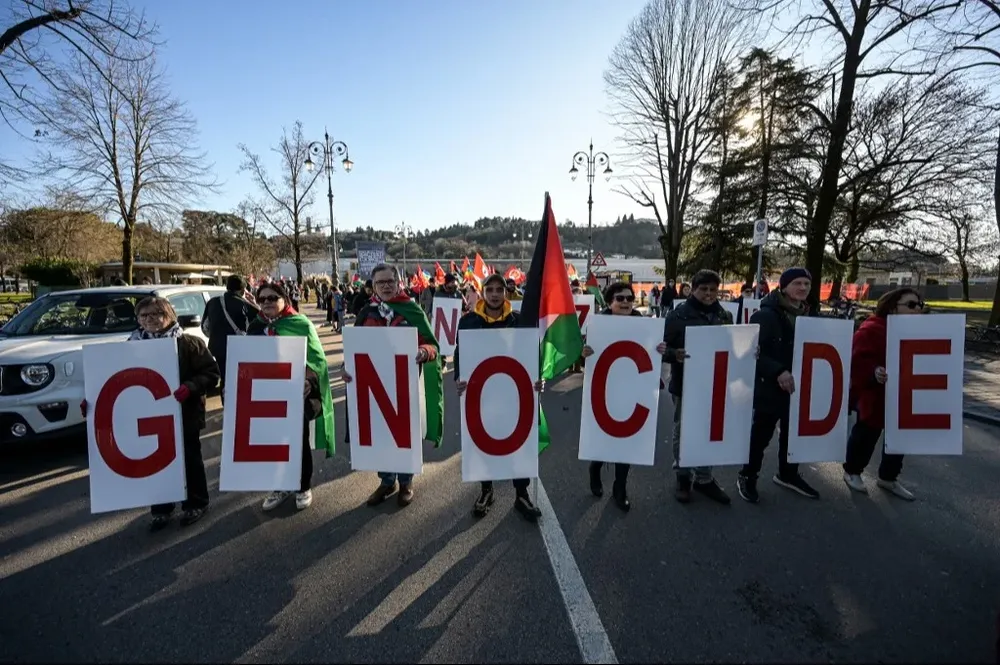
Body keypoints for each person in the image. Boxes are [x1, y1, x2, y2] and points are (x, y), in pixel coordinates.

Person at [82, 296, 220, 530]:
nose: (150, 319)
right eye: (144, 315)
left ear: (169, 316)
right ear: (138, 319)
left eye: (157, 314)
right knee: (155, 463)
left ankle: (196, 503)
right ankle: (161, 509)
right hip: (148, 417)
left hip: (184, 415)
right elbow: (112, 380)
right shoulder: (128, 347)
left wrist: (190, 387)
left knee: (189, 461)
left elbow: (211, 373)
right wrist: (93, 402)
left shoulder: (189, 344)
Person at [344, 264, 440, 508]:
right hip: (374, 388)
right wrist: (348, 367)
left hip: (404, 386)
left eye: (390, 281)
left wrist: (424, 351)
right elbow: (355, 349)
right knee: (381, 436)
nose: (386, 286)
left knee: (404, 435)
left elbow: (433, 346)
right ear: (373, 286)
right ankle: (387, 481)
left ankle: (406, 482)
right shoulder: (366, 313)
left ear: (398, 283)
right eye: (381, 282)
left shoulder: (412, 310)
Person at [454, 273, 544, 521]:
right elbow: (460, 352)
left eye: (499, 290)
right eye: (490, 289)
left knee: (519, 441)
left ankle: (522, 494)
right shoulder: (468, 321)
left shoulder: (519, 320)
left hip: (513, 392)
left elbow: (531, 351)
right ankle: (486, 490)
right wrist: (458, 378)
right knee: (483, 441)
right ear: (482, 293)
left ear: (506, 293)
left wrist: (538, 377)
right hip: (482, 392)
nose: (494, 294)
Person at [737, 267, 820, 503]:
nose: (803, 288)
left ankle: (788, 474)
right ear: (783, 287)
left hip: (800, 386)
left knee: (794, 434)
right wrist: (778, 371)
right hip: (771, 387)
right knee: (761, 435)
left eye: (806, 283)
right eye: (797, 283)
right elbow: (751, 352)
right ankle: (748, 475)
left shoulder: (809, 314)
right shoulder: (765, 315)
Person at [582, 281, 667, 511]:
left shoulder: (643, 323)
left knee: (627, 438)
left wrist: (660, 349)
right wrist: (584, 352)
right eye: (620, 298)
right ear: (610, 302)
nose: (626, 302)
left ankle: (620, 487)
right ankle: (595, 468)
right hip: (605, 388)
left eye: (630, 298)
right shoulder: (597, 325)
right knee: (604, 434)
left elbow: (650, 353)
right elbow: (583, 356)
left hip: (632, 386)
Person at [254, 282, 335, 513]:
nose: (267, 302)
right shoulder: (255, 327)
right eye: (262, 299)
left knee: (297, 442)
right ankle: (281, 486)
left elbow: (317, 360)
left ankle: (302, 486)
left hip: (295, 396)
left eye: (272, 298)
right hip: (266, 397)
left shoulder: (300, 324)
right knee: (272, 443)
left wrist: (309, 380)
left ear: (284, 299)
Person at [842, 287, 924, 500]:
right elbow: (856, 358)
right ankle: (852, 471)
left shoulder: (919, 332)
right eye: (911, 305)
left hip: (903, 393)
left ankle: (888, 477)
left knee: (899, 436)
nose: (917, 309)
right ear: (892, 307)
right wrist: (874, 371)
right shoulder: (872, 329)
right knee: (866, 434)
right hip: (875, 394)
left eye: (920, 305)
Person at [662, 270, 734, 505]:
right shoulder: (677, 316)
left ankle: (704, 478)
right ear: (693, 289)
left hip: (714, 383)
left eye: (713, 289)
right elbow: (660, 348)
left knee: (710, 430)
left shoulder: (724, 315)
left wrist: (749, 350)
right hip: (685, 384)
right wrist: (674, 354)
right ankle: (683, 477)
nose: (709, 294)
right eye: (704, 289)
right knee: (683, 431)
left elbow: (731, 347)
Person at [201, 274, 260, 397]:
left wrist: (217, 335)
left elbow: (205, 327)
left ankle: (226, 403)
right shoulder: (245, 305)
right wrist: (254, 303)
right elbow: (262, 322)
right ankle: (239, 403)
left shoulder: (212, 302)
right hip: (240, 349)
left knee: (225, 379)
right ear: (243, 290)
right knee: (241, 379)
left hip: (218, 349)